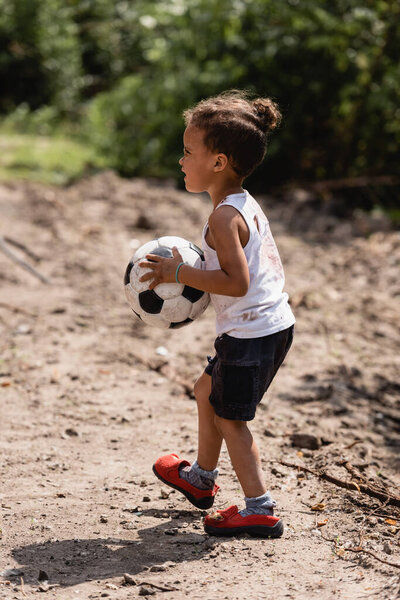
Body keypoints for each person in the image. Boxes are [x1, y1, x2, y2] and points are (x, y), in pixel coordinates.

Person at [139, 90, 295, 538]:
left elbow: (236, 283)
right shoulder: (241, 202)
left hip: (252, 334)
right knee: (205, 389)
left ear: (219, 162)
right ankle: (202, 479)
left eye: (189, 152)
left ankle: (259, 508)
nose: (181, 160)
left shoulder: (223, 219)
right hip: (263, 328)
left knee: (231, 418)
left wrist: (179, 271)